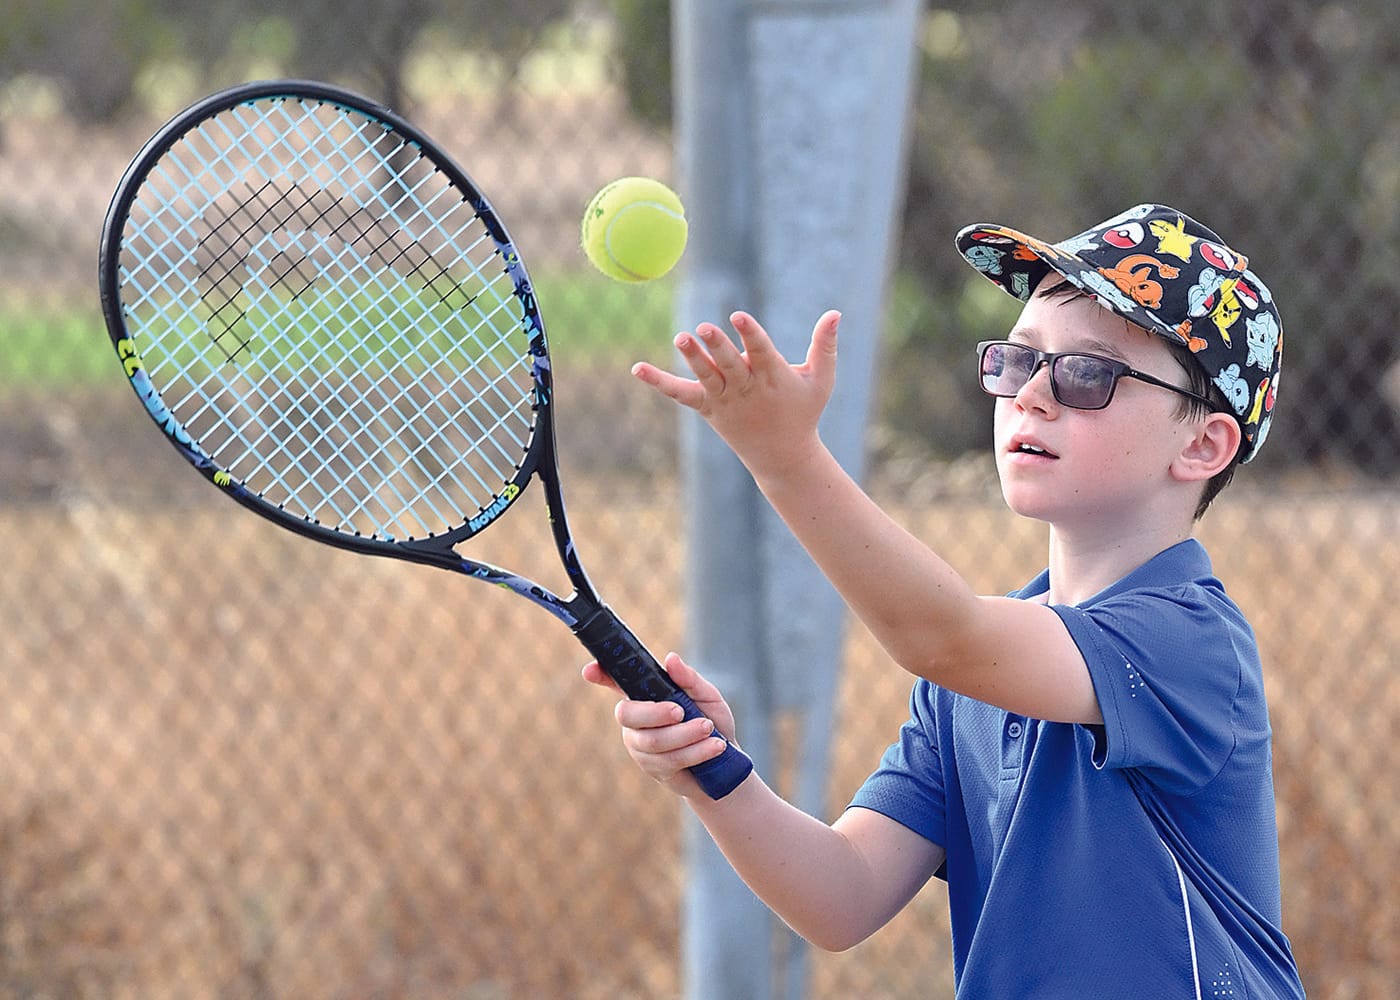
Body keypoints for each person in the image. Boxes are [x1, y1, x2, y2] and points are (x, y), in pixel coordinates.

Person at [582, 204, 1305, 998]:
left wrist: (786, 459)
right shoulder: (973, 683)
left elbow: (943, 636)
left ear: (1202, 445)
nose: (1031, 395)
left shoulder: (1188, 642)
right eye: (1018, 360)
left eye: (1088, 374)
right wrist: (713, 773)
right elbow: (842, 896)